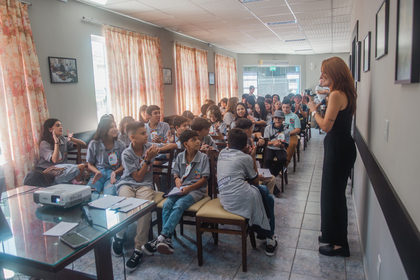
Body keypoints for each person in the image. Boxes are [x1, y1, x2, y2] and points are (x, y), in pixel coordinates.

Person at [307, 57, 357, 257]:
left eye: (324, 72)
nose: (320, 77)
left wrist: (312, 112)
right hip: (341, 145)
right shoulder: (341, 93)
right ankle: (332, 234)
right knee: (332, 194)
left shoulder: (336, 94)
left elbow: (326, 126)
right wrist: (322, 103)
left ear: (334, 73)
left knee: (333, 196)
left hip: (338, 146)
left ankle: (339, 245)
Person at [112, 122, 177, 271]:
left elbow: (172, 146)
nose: (146, 135)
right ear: (132, 137)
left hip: (145, 186)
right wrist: (148, 160)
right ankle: (119, 235)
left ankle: (138, 248)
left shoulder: (149, 147)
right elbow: (137, 177)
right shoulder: (127, 154)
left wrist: (164, 147)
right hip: (128, 183)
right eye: (143, 133)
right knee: (125, 204)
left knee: (144, 209)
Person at [142, 130, 210, 255]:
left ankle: (161, 238)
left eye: (198, 139)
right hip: (180, 189)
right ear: (185, 144)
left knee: (179, 205)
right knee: (168, 204)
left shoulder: (203, 157)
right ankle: (167, 239)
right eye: (193, 140)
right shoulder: (180, 157)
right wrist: (177, 179)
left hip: (196, 191)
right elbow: (176, 173)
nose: (198, 141)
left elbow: (204, 179)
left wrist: (189, 188)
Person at [217, 128, 277, 256]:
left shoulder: (222, 152)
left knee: (264, 191)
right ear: (245, 146)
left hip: (225, 199)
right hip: (240, 202)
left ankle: (264, 232)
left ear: (227, 145)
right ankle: (270, 236)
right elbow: (254, 181)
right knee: (268, 197)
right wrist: (252, 157)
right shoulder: (245, 158)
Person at [235, 118, 281, 197]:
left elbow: (257, 133)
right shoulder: (243, 146)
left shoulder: (244, 138)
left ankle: (263, 199)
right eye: (251, 128)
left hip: (248, 170)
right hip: (245, 173)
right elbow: (249, 169)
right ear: (247, 130)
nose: (252, 130)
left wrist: (260, 138)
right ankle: (264, 201)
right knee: (271, 179)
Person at [37, 118, 87, 184]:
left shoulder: (63, 140)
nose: (61, 127)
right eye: (58, 126)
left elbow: (83, 144)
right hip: (48, 171)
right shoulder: (44, 144)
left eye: (61, 125)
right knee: (80, 168)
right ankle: (74, 182)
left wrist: (72, 139)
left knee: (83, 169)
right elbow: (55, 160)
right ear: (50, 129)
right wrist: (56, 143)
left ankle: (73, 181)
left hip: (62, 169)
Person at [86, 116, 126, 195]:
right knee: (90, 194)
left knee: (110, 195)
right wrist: (97, 172)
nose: (115, 129)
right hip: (98, 174)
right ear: (103, 130)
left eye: (115, 126)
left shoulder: (121, 144)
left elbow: (123, 165)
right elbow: (89, 165)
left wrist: (115, 173)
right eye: (111, 127)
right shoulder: (94, 144)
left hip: (113, 174)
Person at [264, 110, 289, 192]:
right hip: (270, 148)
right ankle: (273, 186)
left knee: (282, 159)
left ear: (283, 119)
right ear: (273, 119)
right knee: (267, 159)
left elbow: (286, 144)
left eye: (279, 118)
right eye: (275, 118)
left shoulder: (286, 130)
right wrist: (273, 142)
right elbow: (266, 142)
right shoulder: (268, 128)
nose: (277, 120)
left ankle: (270, 177)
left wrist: (281, 145)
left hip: (280, 148)